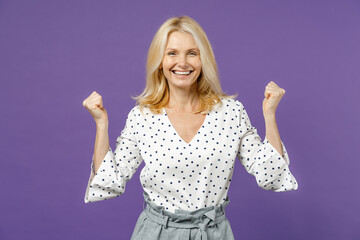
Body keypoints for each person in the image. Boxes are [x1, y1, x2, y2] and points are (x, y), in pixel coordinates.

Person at [82, 16, 298, 240]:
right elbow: (108, 183)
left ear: (203, 59)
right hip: (156, 233)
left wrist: (269, 114)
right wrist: (101, 123)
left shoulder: (231, 113)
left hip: (213, 233)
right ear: (160, 61)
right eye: (172, 53)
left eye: (192, 53)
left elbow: (271, 176)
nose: (182, 63)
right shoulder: (142, 117)